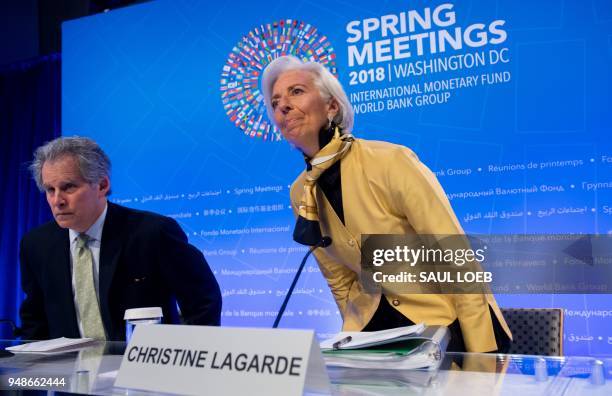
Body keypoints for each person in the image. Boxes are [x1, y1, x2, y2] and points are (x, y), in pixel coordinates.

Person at [261, 56, 512, 352]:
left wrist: (479, 353)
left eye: (297, 91)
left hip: (442, 323)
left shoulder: (391, 161)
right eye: (275, 102)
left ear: (332, 106)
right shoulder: (300, 192)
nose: (283, 106)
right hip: (375, 334)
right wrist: (355, 343)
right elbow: (340, 282)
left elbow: (457, 255)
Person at [19, 136, 222, 340]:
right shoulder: (36, 245)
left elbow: (203, 301)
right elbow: (35, 321)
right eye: (50, 190)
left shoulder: (153, 233)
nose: (57, 201)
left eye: (68, 187)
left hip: (143, 367)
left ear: (102, 185)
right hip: (68, 369)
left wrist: (187, 357)